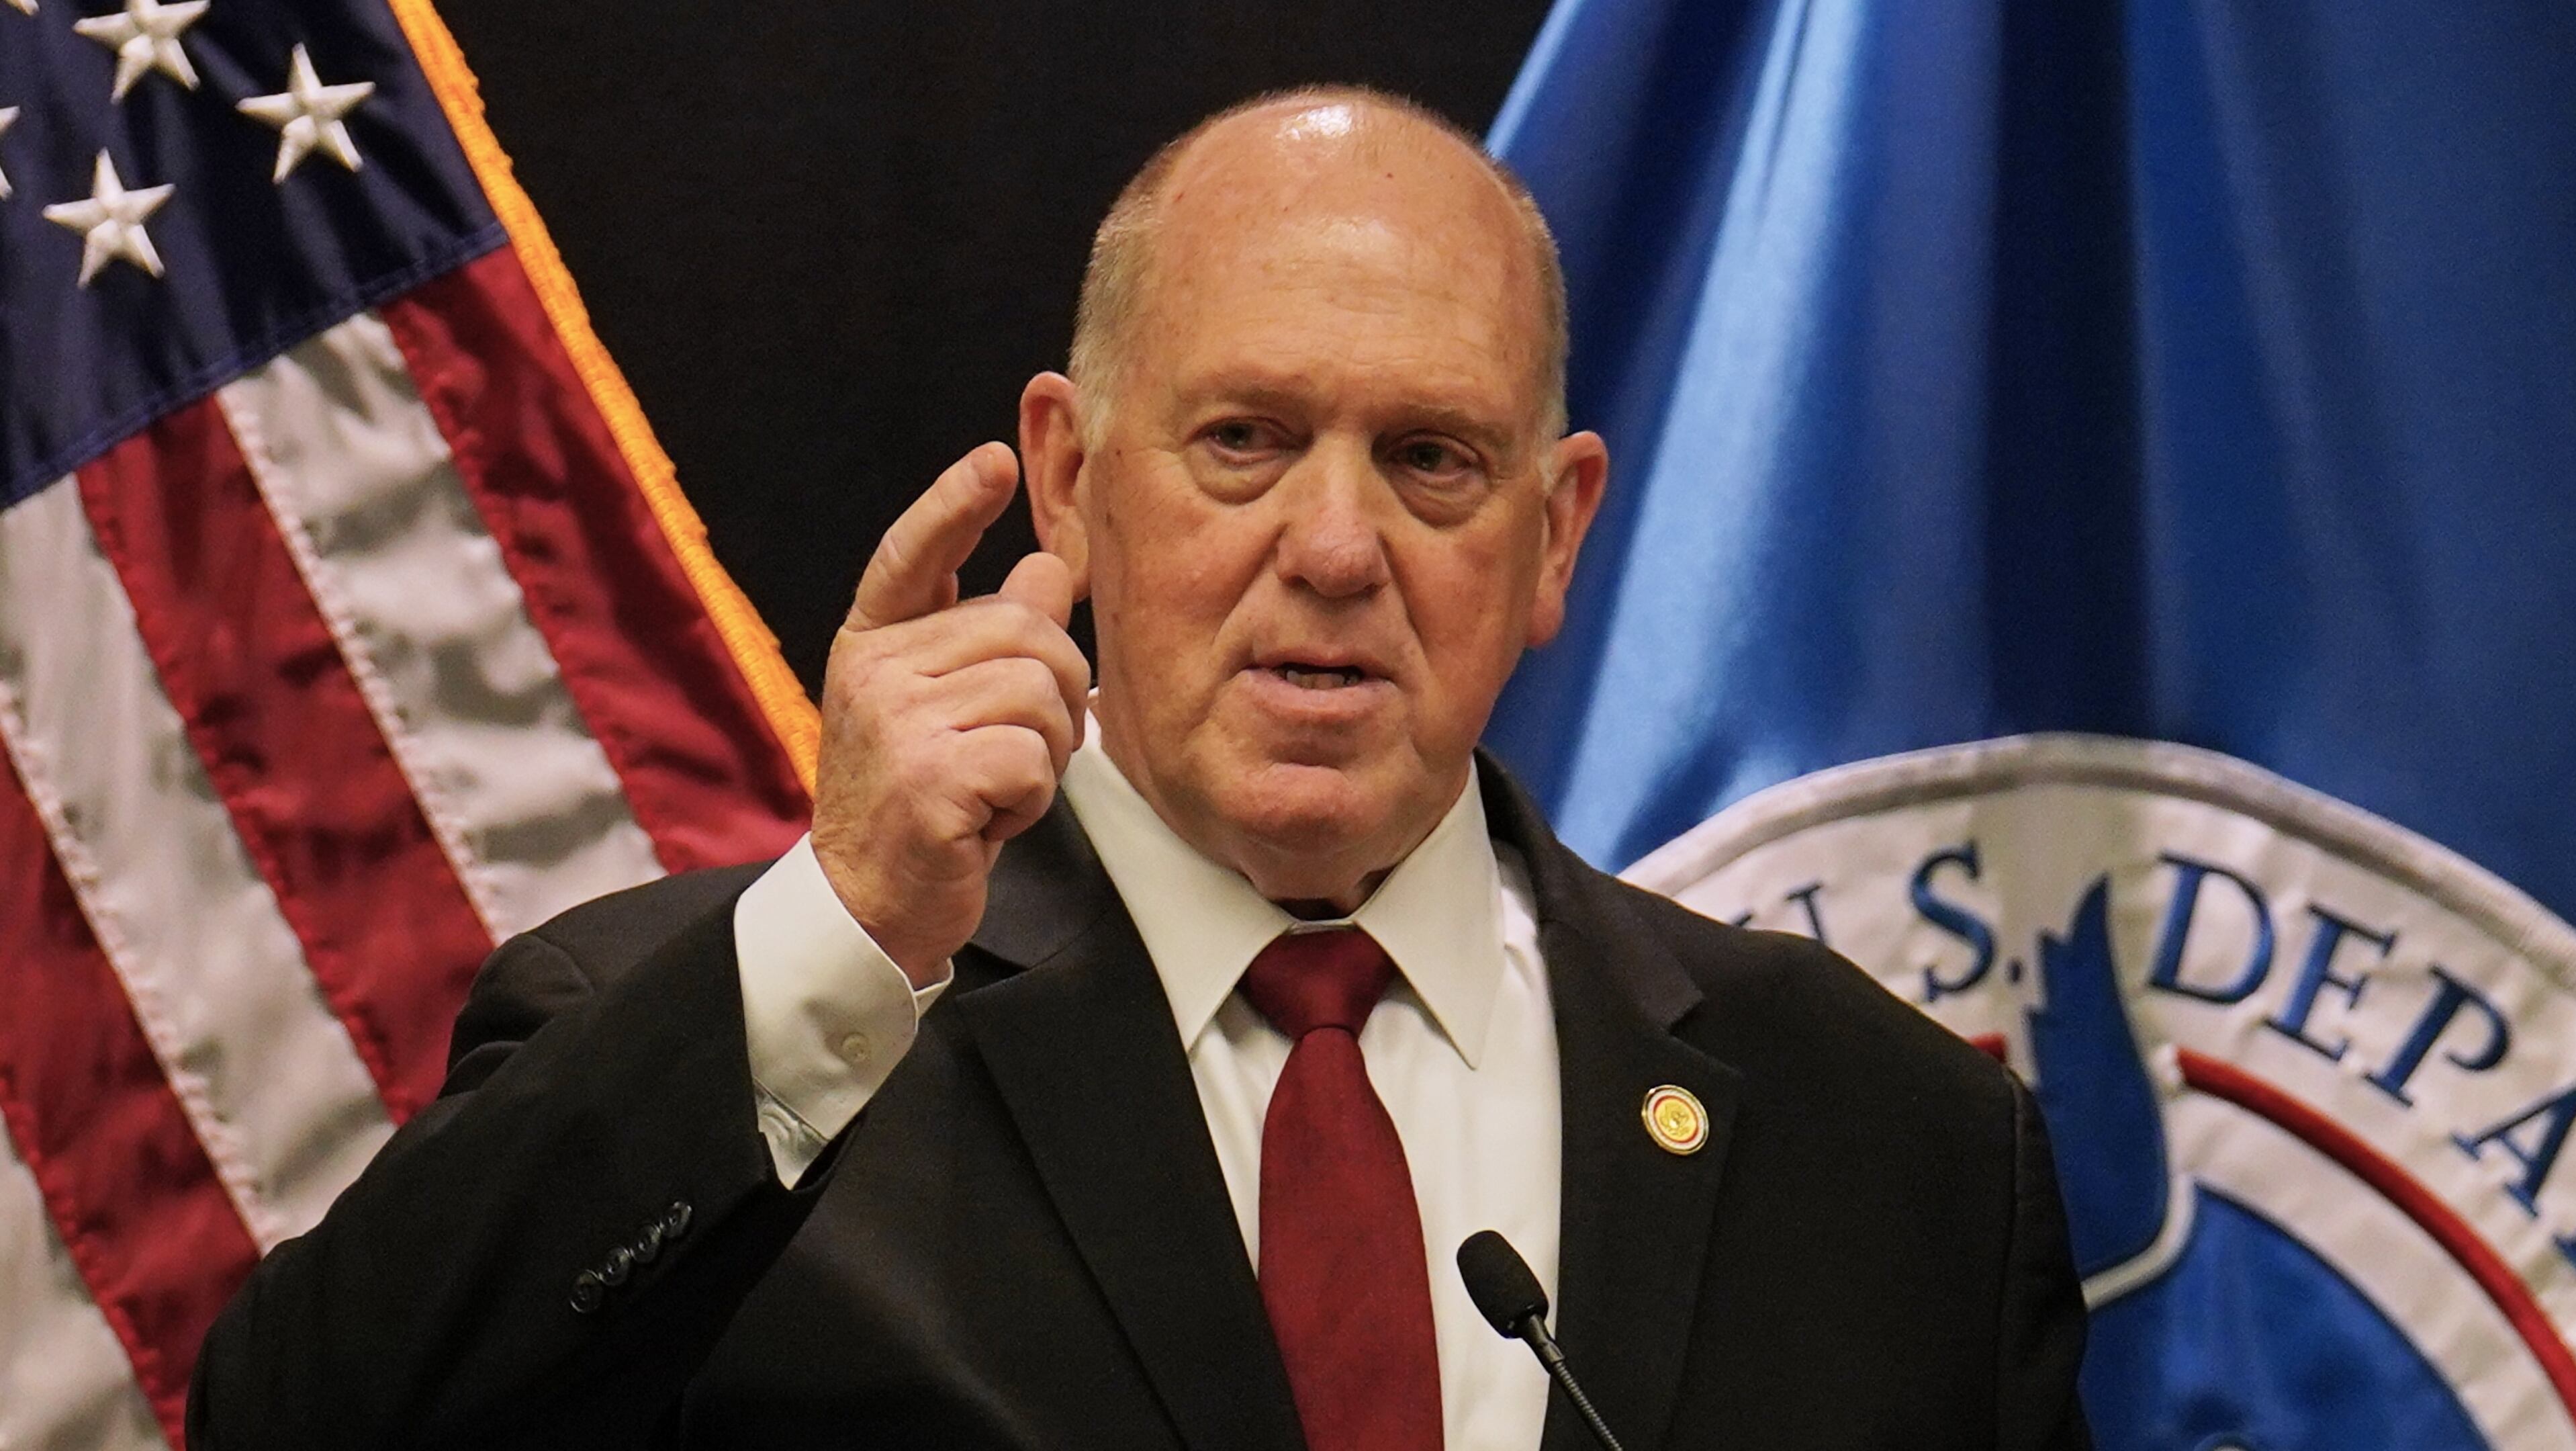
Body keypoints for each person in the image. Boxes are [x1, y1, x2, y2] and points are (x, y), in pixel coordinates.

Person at [188, 87, 2089, 1450]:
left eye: (1430, 460)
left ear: (1556, 534)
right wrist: (845, 930)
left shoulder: (1897, 1152)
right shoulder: (744, 1040)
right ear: (1075, 480)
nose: (1334, 549)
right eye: (1245, 440)